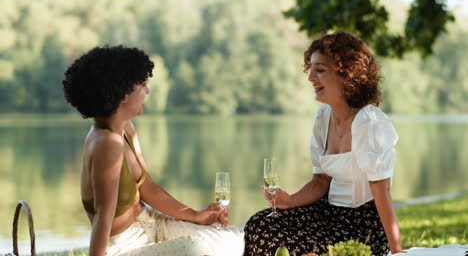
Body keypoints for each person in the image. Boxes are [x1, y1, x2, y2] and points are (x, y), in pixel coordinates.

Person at [62, 46, 244, 256]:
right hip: (125, 245)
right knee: (199, 249)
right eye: (142, 84)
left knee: (235, 239)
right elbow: (103, 215)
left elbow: (148, 188)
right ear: (123, 94)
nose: (147, 91)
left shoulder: (125, 127)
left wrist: (195, 216)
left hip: (153, 225)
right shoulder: (106, 142)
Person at [243, 32, 404, 256]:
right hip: (326, 212)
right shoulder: (323, 117)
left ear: (347, 75)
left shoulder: (369, 122)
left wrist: (397, 251)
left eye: (320, 70)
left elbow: (381, 191)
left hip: (361, 225)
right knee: (260, 225)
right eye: (310, 69)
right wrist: (289, 201)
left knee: (300, 246)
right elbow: (320, 182)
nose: (310, 77)